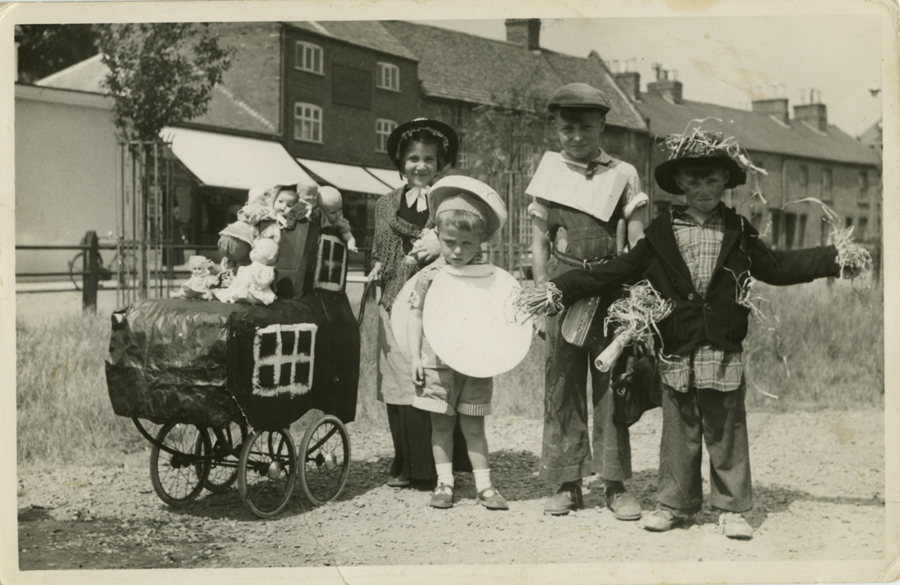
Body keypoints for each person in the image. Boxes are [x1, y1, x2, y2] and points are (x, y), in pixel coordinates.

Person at [529, 129, 853, 539]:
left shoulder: (737, 229)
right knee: (679, 429)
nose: (704, 189)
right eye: (694, 181)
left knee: (726, 428)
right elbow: (616, 270)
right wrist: (559, 289)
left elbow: (777, 267)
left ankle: (732, 508)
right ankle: (674, 504)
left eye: (712, 180)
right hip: (677, 347)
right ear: (680, 183)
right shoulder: (660, 233)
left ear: (726, 183)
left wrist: (833, 258)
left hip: (722, 346)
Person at [527, 83, 649, 518]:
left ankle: (614, 484)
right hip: (562, 286)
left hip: (612, 287)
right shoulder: (548, 174)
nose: (576, 136)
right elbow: (540, 242)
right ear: (556, 129)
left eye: (585, 127)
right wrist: (542, 298)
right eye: (566, 128)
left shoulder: (624, 173)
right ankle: (566, 481)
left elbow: (637, 242)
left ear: (602, 124)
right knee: (561, 383)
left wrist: (636, 300)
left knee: (612, 383)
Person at [369, 118, 470, 487]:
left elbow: (467, 243)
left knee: (432, 378)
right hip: (393, 298)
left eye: (429, 158)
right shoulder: (385, 204)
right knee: (399, 382)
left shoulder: (449, 202)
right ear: (400, 162)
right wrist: (377, 270)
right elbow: (380, 248)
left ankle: (435, 467)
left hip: (436, 300)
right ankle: (406, 462)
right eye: (413, 158)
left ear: (440, 163)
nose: (420, 166)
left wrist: (439, 246)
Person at [406, 176, 509, 510]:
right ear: (438, 236)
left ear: (480, 241)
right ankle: (444, 483)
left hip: (475, 362)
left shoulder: (488, 277)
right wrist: (414, 358)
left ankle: (485, 486)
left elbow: (499, 318)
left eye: (467, 243)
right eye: (450, 242)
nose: (458, 250)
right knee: (441, 423)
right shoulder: (429, 276)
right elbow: (416, 315)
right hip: (436, 362)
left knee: (473, 424)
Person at [318, 186, 359, 253]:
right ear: (322, 212)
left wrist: (351, 245)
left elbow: (348, 235)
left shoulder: (339, 222)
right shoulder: (319, 220)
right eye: (333, 212)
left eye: (340, 209)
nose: (338, 214)